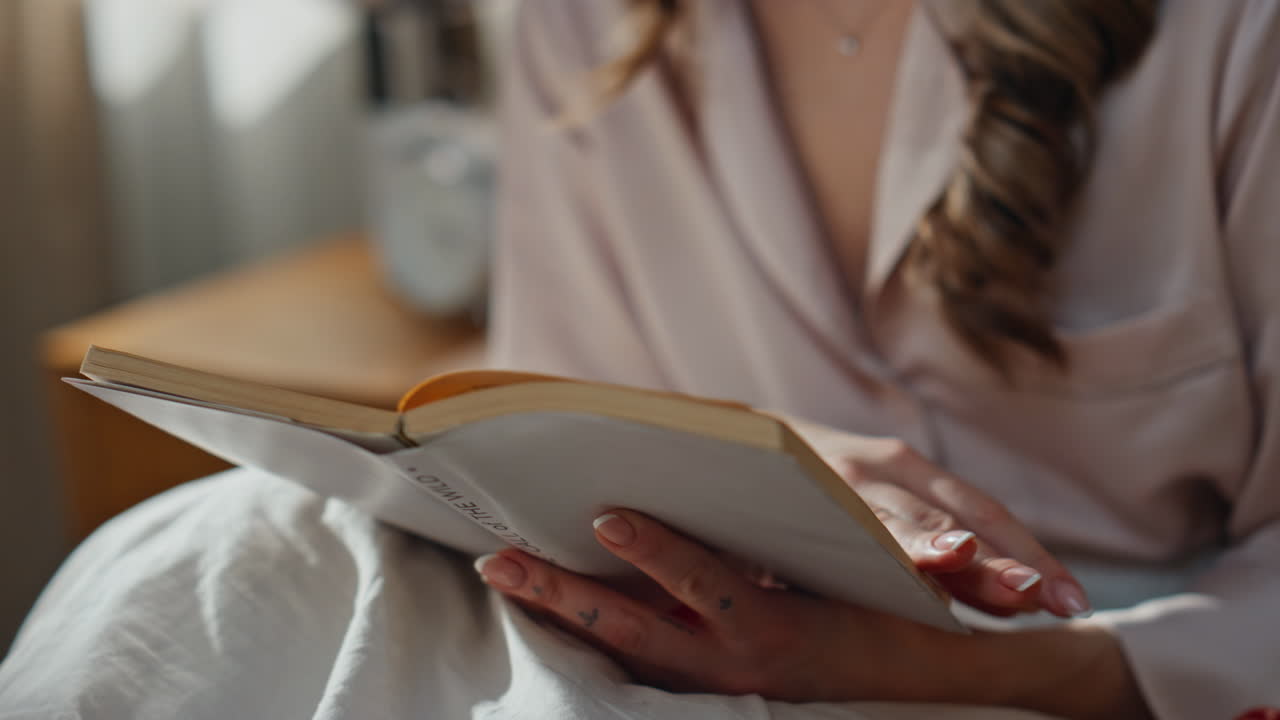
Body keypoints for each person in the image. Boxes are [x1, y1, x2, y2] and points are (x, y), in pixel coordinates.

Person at [1, 1, 1276, 719]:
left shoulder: (1232, 41)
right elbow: (561, 414)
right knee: (220, 543)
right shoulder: (587, 26)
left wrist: (957, 665)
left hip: (1078, 670)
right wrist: (768, 456)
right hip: (687, 601)